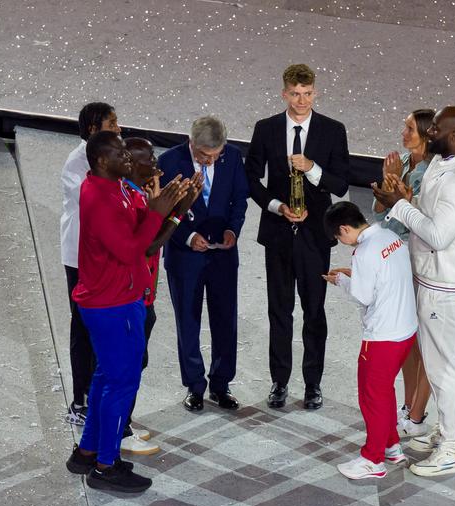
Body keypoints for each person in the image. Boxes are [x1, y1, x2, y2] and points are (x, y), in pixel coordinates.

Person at [65, 131, 189, 493]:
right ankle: (107, 465)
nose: (128, 158)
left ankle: (87, 452)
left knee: (105, 378)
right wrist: (160, 213)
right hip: (112, 304)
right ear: (102, 160)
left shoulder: (114, 186)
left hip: (116, 298)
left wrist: (170, 211)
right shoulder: (100, 199)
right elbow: (132, 250)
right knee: (122, 383)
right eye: (121, 153)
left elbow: (143, 233)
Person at [372, 105, 455, 477]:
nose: (428, 132)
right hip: (433, 278)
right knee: (439, 365)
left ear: (454, 136)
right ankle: (449, 432)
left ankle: (454, 447)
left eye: (435, 128)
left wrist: (401, 206)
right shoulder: (443, 161)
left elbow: (438, 234)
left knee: (445, 367)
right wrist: (407, 197)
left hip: (446, 286)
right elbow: (426, 210)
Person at [245, 63, 350, 410]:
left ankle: (313, 384)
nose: (301, 100)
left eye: (307, 94)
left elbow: (341, 183)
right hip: (278, 232)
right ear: (284, 93)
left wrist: (312, 168)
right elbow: (251, 180)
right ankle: (279, 382)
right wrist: (276, 206)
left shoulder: (333, 131)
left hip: (315, 236)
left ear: (315, 92)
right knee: (280, 310)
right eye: (295, 94)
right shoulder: (266, 129)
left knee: (314, 311)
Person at [158, 116, 249, 412]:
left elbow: (239, 200)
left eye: (215, 155)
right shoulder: (169, 162)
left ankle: (221, 385)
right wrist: (187, 236)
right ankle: (195, 386)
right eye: (203, 156)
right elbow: (161, 211)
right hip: (184, 257)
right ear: (191, 143)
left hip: (222, 254)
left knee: (225, 320)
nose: (210, 161)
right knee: (188, 320)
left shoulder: (232, 157)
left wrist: (232, 230)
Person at [118, 137, 202, 454]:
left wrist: (179, 207)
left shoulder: (141, 194)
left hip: (144, 297)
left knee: (135, 366)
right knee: (125, 369)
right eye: (148, 158)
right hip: (129, 299)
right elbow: (149, 246)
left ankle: (123, 425)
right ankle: (117, 433)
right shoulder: (131, 199)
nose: (156, 163)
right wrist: (178, 213)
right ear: (130, 165)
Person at [322, 202, 417, 480]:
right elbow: (384, 277)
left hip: (382, 338)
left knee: (371, 397)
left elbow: (363, 296)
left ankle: (372, 460)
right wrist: (355, 275)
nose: (342, 242)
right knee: (384, 390)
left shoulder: (363, 251)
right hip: (405, 332)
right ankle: (391, 445)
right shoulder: (390, 237)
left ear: (344, 229)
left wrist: (341, 280)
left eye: (340, 238)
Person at [371, 109, 435, 438]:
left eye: (410, 129)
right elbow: (381, 210)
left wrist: (401, 193)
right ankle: (409, 405)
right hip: (395, 260)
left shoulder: (431, 173)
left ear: (426, 134)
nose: (403, 133)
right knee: (409, 340)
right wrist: (387, 182)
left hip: (418, 263)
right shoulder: (405, 165)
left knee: (425, 343)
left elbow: (417, 219)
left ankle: (419, 414)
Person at [60, 102, 120, 426]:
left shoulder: (111, 159)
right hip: (81, 260)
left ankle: (100, 400)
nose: (119, 129)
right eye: (113, 123)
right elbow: (93, 207)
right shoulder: (77, 162)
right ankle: (79, 402)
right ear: (94, 129)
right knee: (83, 328)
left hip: (106, 258)